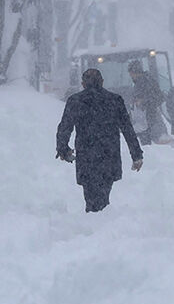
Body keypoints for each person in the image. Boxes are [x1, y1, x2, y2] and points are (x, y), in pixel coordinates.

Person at [56, 68, 143, 212]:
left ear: (83, 84)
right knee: (104, 193)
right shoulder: (115, 100)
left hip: (86, 156)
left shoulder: (75, 101)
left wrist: (63, 149)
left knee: (90, 194)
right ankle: (101, 215)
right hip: (109, 155)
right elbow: (127, 129)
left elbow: (65, 127)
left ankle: (94, 215)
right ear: (102, 82)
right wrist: (136, 155)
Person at [128, 59, 167, 144]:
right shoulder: (139, 83)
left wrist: (143, 101)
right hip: (143, 121)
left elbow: (158, 97)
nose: (130, 76)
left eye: (131, 73)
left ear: (135, 72)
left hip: (150, 121)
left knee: (148, 146)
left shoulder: (147, 81)